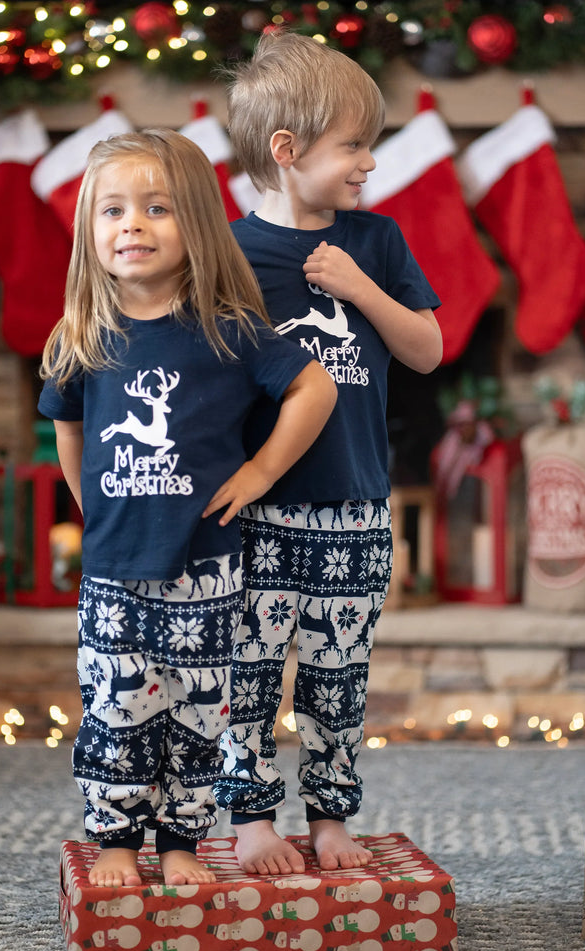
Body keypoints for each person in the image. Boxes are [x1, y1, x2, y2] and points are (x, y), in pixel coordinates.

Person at [37, 128, 337, 889]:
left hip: (205, 571)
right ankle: (114, 841)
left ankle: (179, 842)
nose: (130, 224)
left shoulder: (227, 330)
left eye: (155, 208)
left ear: (196, 222)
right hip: (113, 573)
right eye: (112, 211)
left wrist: (263, 470)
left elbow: (315, 386)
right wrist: (90, 501)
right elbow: (66, 426)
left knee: (199, 715)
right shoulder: (84, 336)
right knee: (115, 712)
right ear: (90, 230)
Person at [214, 32, 443, 876]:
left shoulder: (374, 242)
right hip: (255, 510)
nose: (369, 164)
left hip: (353, 502)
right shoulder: (227, 254)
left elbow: (425, 350)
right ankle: (248, 820)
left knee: (338, 679)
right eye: (354, 145)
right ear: (288, 150)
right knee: (246, 675)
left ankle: (333, 817)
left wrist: (360, 289)